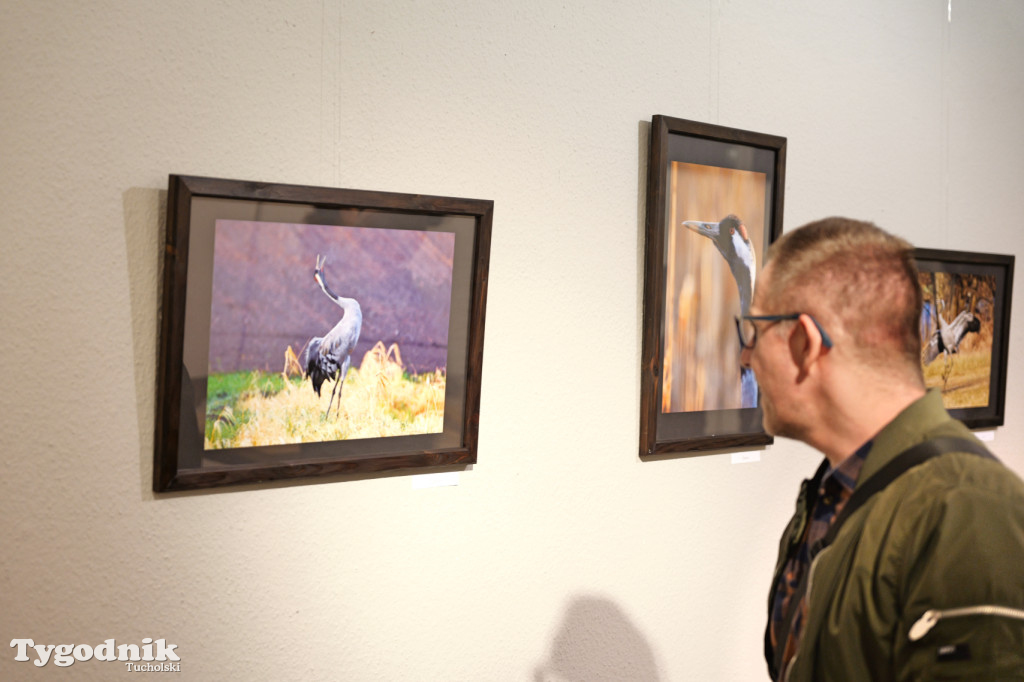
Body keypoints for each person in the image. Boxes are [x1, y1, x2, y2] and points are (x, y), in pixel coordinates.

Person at [742, 217, 1024, 681]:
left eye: (754, 331)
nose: (745, 356)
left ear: (804, 342)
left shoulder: (967, 511)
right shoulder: (831, 494)